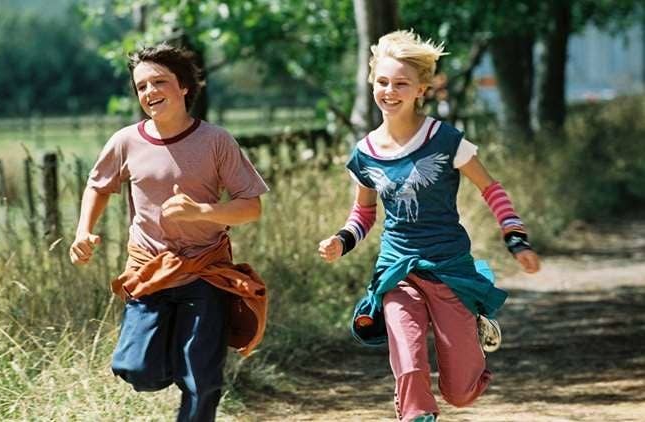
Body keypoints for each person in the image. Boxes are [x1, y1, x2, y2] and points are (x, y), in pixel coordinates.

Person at [318, 29, 540, 422]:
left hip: (448, 266)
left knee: (461, 391)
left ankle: (471, 321)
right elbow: (364, 214)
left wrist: (515, 237)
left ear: (422, 89)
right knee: (407, 357)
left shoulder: (445, 140)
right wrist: (341, 240)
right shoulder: (365, 153)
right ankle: (416, 414)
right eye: (382, 82)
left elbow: (491, 188)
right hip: (397, 268)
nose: (389, 91)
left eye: (401, 83)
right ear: (372, 82)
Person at [69, 43, 269, 422]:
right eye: (141, 86)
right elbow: (98, 186)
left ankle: (193, 364)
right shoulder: (126, 140)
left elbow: (251, 206)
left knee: (201, 380)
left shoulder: (216, 141)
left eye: (159, 82)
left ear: (185, 88)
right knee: (137, 368)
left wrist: (203, 212)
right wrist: (83, 232)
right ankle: (180, 355)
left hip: (205, 271)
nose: (149, 92)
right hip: (149, 272)